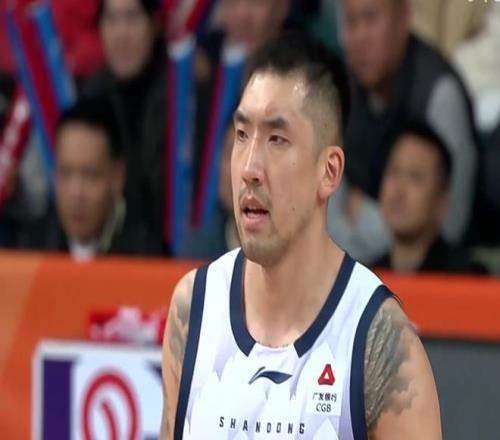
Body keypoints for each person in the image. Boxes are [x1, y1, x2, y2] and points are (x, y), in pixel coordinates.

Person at [160, 34, 441, 440]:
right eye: (242, 135)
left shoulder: (381, 344)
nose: (249, 169)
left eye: (276, 139)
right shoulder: (193, 310)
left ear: (329, 172)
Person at [329, 0, 479, 263]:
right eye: (351, 23)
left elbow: (449, 224)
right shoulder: (341, 87)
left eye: (371, 19)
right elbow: (325, 215)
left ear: (403, 20)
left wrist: (364, 214)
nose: (359, 38)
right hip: (356, 270)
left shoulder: (439, 94)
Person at [82, 0, 166, 255]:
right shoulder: (91, 95)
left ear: (154, 24)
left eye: (132, 17)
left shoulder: (184, 92)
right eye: (111, 19)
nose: (121, 34)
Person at [20, 98, 145, 260]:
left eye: (90, 175)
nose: (76, 193)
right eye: (65, 173)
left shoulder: (148, 255)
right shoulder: (26, 249)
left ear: (117, 177)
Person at [375, 122, 487, 274]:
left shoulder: (468, 278)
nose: (398, 190)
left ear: (442, 201)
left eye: (415, 177)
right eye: (394, 171)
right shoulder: (364, 279)